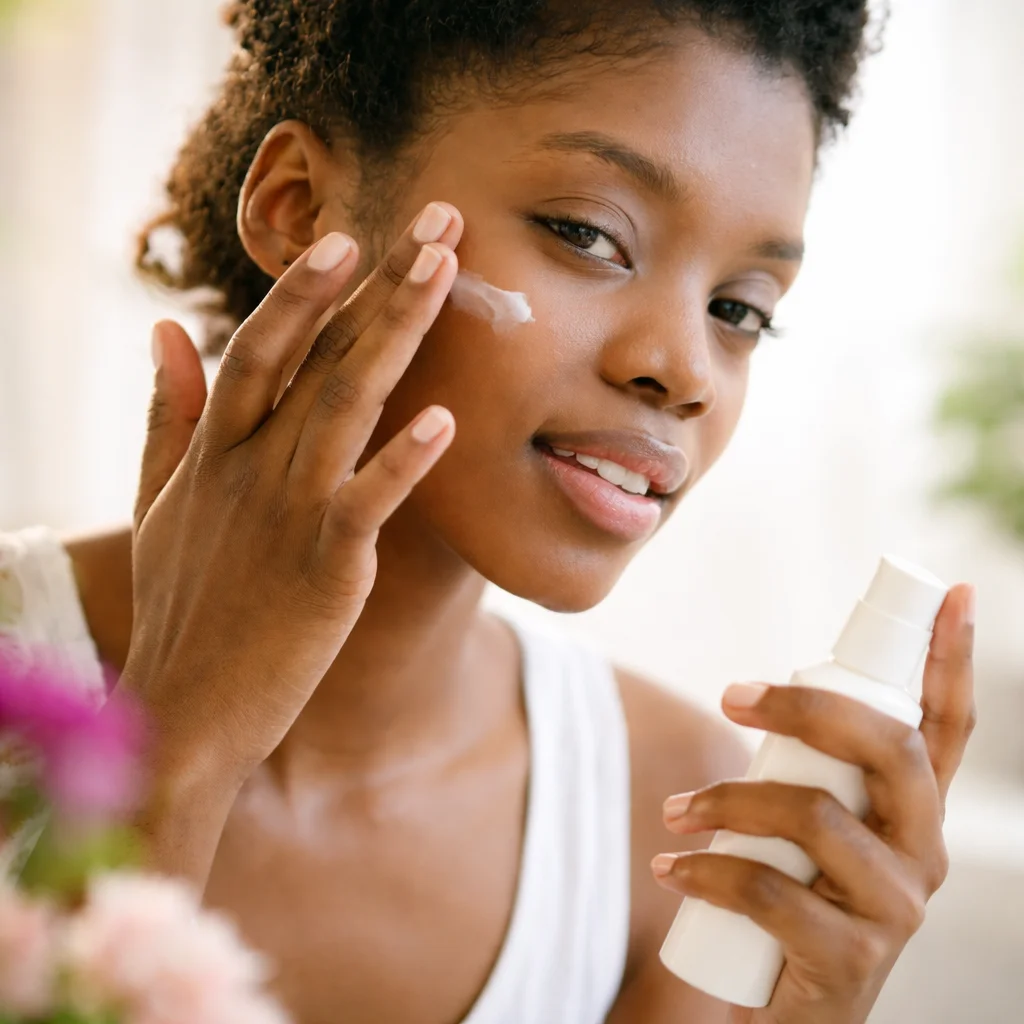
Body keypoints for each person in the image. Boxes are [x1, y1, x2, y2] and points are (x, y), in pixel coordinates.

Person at [0, 2, 977, 1022]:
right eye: (588, 235)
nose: (685, 369)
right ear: (299, 209)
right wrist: (182, 745)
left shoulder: (673, 819)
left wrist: (808, 1014)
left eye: (738, 310)